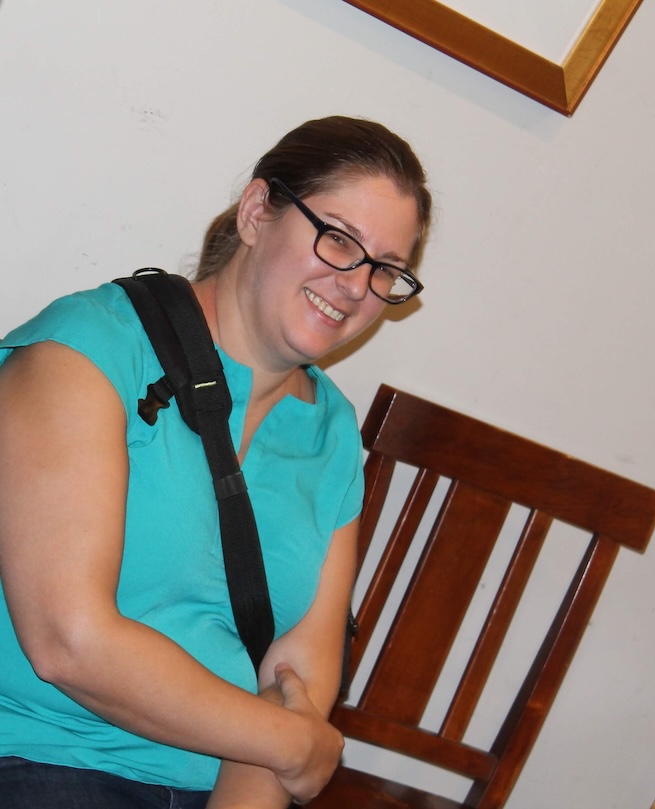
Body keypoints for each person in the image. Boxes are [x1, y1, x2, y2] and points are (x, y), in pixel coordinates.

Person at [0, 115, 432, 809]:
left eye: (385, 269)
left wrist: (280, 749)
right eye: (339, 238)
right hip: (43, 757)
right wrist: (292, 744)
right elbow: (66, 641)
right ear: (258, 212)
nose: (355, 285)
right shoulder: (88, 348)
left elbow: (297, 682)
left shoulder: (329, 433)